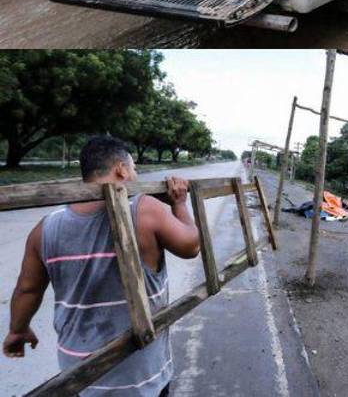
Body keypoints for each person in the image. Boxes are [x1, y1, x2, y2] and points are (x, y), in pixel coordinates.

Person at [3, 136, 200, 396]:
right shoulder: (144, 209)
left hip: (79, 377)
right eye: (134, 169)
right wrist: (179, 204)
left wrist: (18, 330)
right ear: (121, 169)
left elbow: (27, 290)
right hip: (141, 376)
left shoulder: (45, 228)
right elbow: (191, 246)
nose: (136, 176)